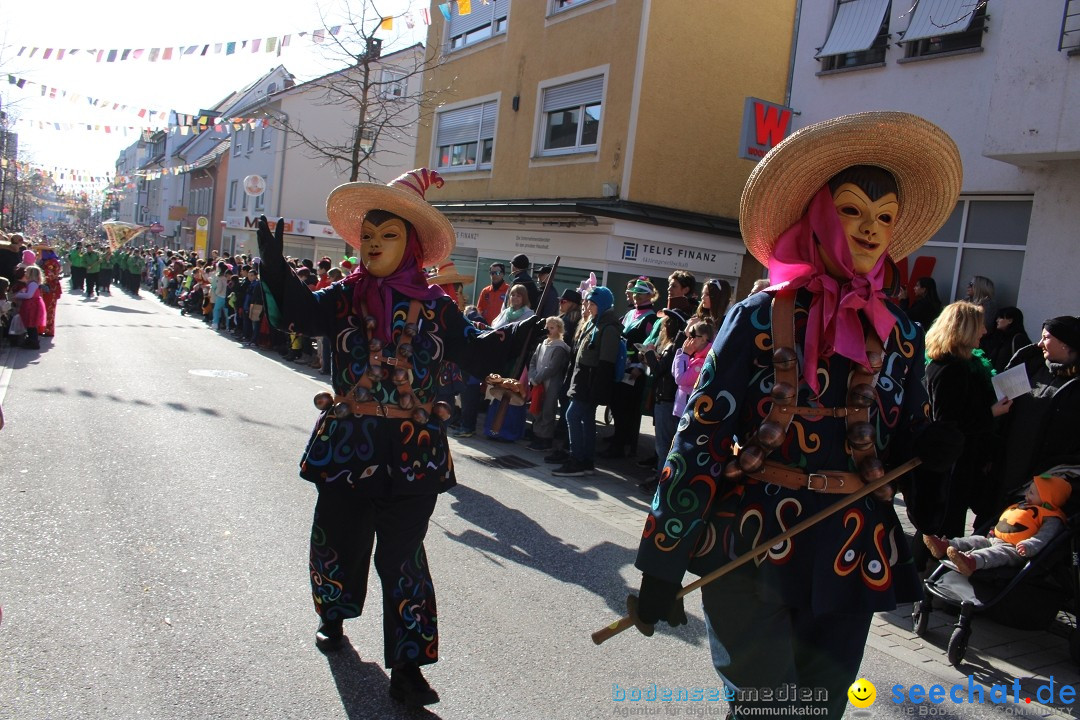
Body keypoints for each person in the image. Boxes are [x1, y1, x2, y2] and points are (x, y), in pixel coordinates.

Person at [631, 112, 964, 719]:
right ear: (817, 214)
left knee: (817, 713)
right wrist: (662, 557)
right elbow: (699, 435)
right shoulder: (758, 317)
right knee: (765, 712)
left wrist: (932, 453)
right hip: (750, 549)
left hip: (851, 556)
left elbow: (904, 448)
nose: (870, 230)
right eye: (853, 209)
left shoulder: (904, 335)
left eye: (885, 217)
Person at [255, 168, 540, 707]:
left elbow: (480, 352)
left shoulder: (438, 308)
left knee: (403, 557)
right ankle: (334, 618)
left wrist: (525, 329)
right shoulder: (342, 297)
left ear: (410, 245)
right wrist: (274, 267)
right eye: (367, 237)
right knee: (339, 540)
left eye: (387, 237)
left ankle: (408, 668)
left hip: (414, 456)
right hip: (346, 449)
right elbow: (298, 313)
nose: (373, 246)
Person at [922, 301, 1012, 556]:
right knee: (945, 518)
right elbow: (948, 420)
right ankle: (937, 569)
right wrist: (992, 412)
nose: (985, 331)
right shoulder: (951, 367)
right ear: (965, 329)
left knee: (945, 516)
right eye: (980, 325)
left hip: (958, 457)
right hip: (952, 460)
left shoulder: (956, 362)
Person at [990, 315, 1080, 519]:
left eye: (1046, 338)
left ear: (1065, 344)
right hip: (1006, 467)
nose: (1039, 344)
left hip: (1043, 480)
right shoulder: (1031, 365)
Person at [923, 473, 1072, 575]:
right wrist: (994, 530)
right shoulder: (1023, 505)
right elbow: (1006, 521)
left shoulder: (1052, 518)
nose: (1027, 495)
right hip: (995, 538)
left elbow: (1044, 537)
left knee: (995, 554)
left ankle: (972, 561)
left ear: (1048, 499)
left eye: (1032, 493)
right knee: (974, 540)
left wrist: (1029, 546)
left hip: (1015, 549)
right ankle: (945, 545)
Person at [553, 286, 621, 477]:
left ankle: (577, 460)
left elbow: (606, 363)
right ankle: (586, 461)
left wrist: (596, 391)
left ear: (603, 304)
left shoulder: (608, 328)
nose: (588, 307)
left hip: (590, 383)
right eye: (588, 303)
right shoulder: (593, 323)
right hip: (582, 379)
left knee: (572, 416)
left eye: (593, 304)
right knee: (585, 419)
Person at [601, 277, 657, 460]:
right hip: (622, 367)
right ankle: (618, 439)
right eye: (635, 293)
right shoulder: (629, 314)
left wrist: (640, 367)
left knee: (627, 410)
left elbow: (651, 345)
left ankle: (622, 446)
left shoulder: (652, 318)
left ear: (650, 295)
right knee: (617, 405)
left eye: (642, 294)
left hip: (635, 371)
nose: (637, 297)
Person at [638, 307, 689, 496]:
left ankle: (663, 480)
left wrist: (650, 354)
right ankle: (661, 477)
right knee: (662, 443)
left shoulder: (676, 345)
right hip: (663, 397)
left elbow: (661, 370)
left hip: (667, 399)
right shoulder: (672, 345)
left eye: (666, 323)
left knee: (663, 444)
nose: (662, 327)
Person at [526, 316, 572, 452]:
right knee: (536, 408)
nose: (548, 330)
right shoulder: (543, 343)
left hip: (551, 383)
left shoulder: (560, 347)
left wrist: (537, 378)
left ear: (559, 329)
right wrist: (532, 376)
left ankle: (545, 438)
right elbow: (533, 361)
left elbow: (552, 368)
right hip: (538, 382)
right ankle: (537, 435)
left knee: (548, 410)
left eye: (552, 328)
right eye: (547, 327)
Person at [984, 306, 1031, 373]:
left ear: (1010, 320)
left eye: (1001, 317)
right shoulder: (1000, 337)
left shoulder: (1018, 339)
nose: (997, 320)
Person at [13, 264, 47, 350]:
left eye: (26, 272)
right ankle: (31, 340)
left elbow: (29, 295)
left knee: (31, 324)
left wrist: (19, 295)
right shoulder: (33, 283)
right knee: (30, 324)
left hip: (32, 305)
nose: (25, 273)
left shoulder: (32, 284)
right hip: (32, 304)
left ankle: (33, 342)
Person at [966, 275, 997, 341]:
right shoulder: (966, 302)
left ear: (980, 287)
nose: (968, 286)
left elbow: (986, 327)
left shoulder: (988, 305)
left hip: (978, 342)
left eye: (971, 284)